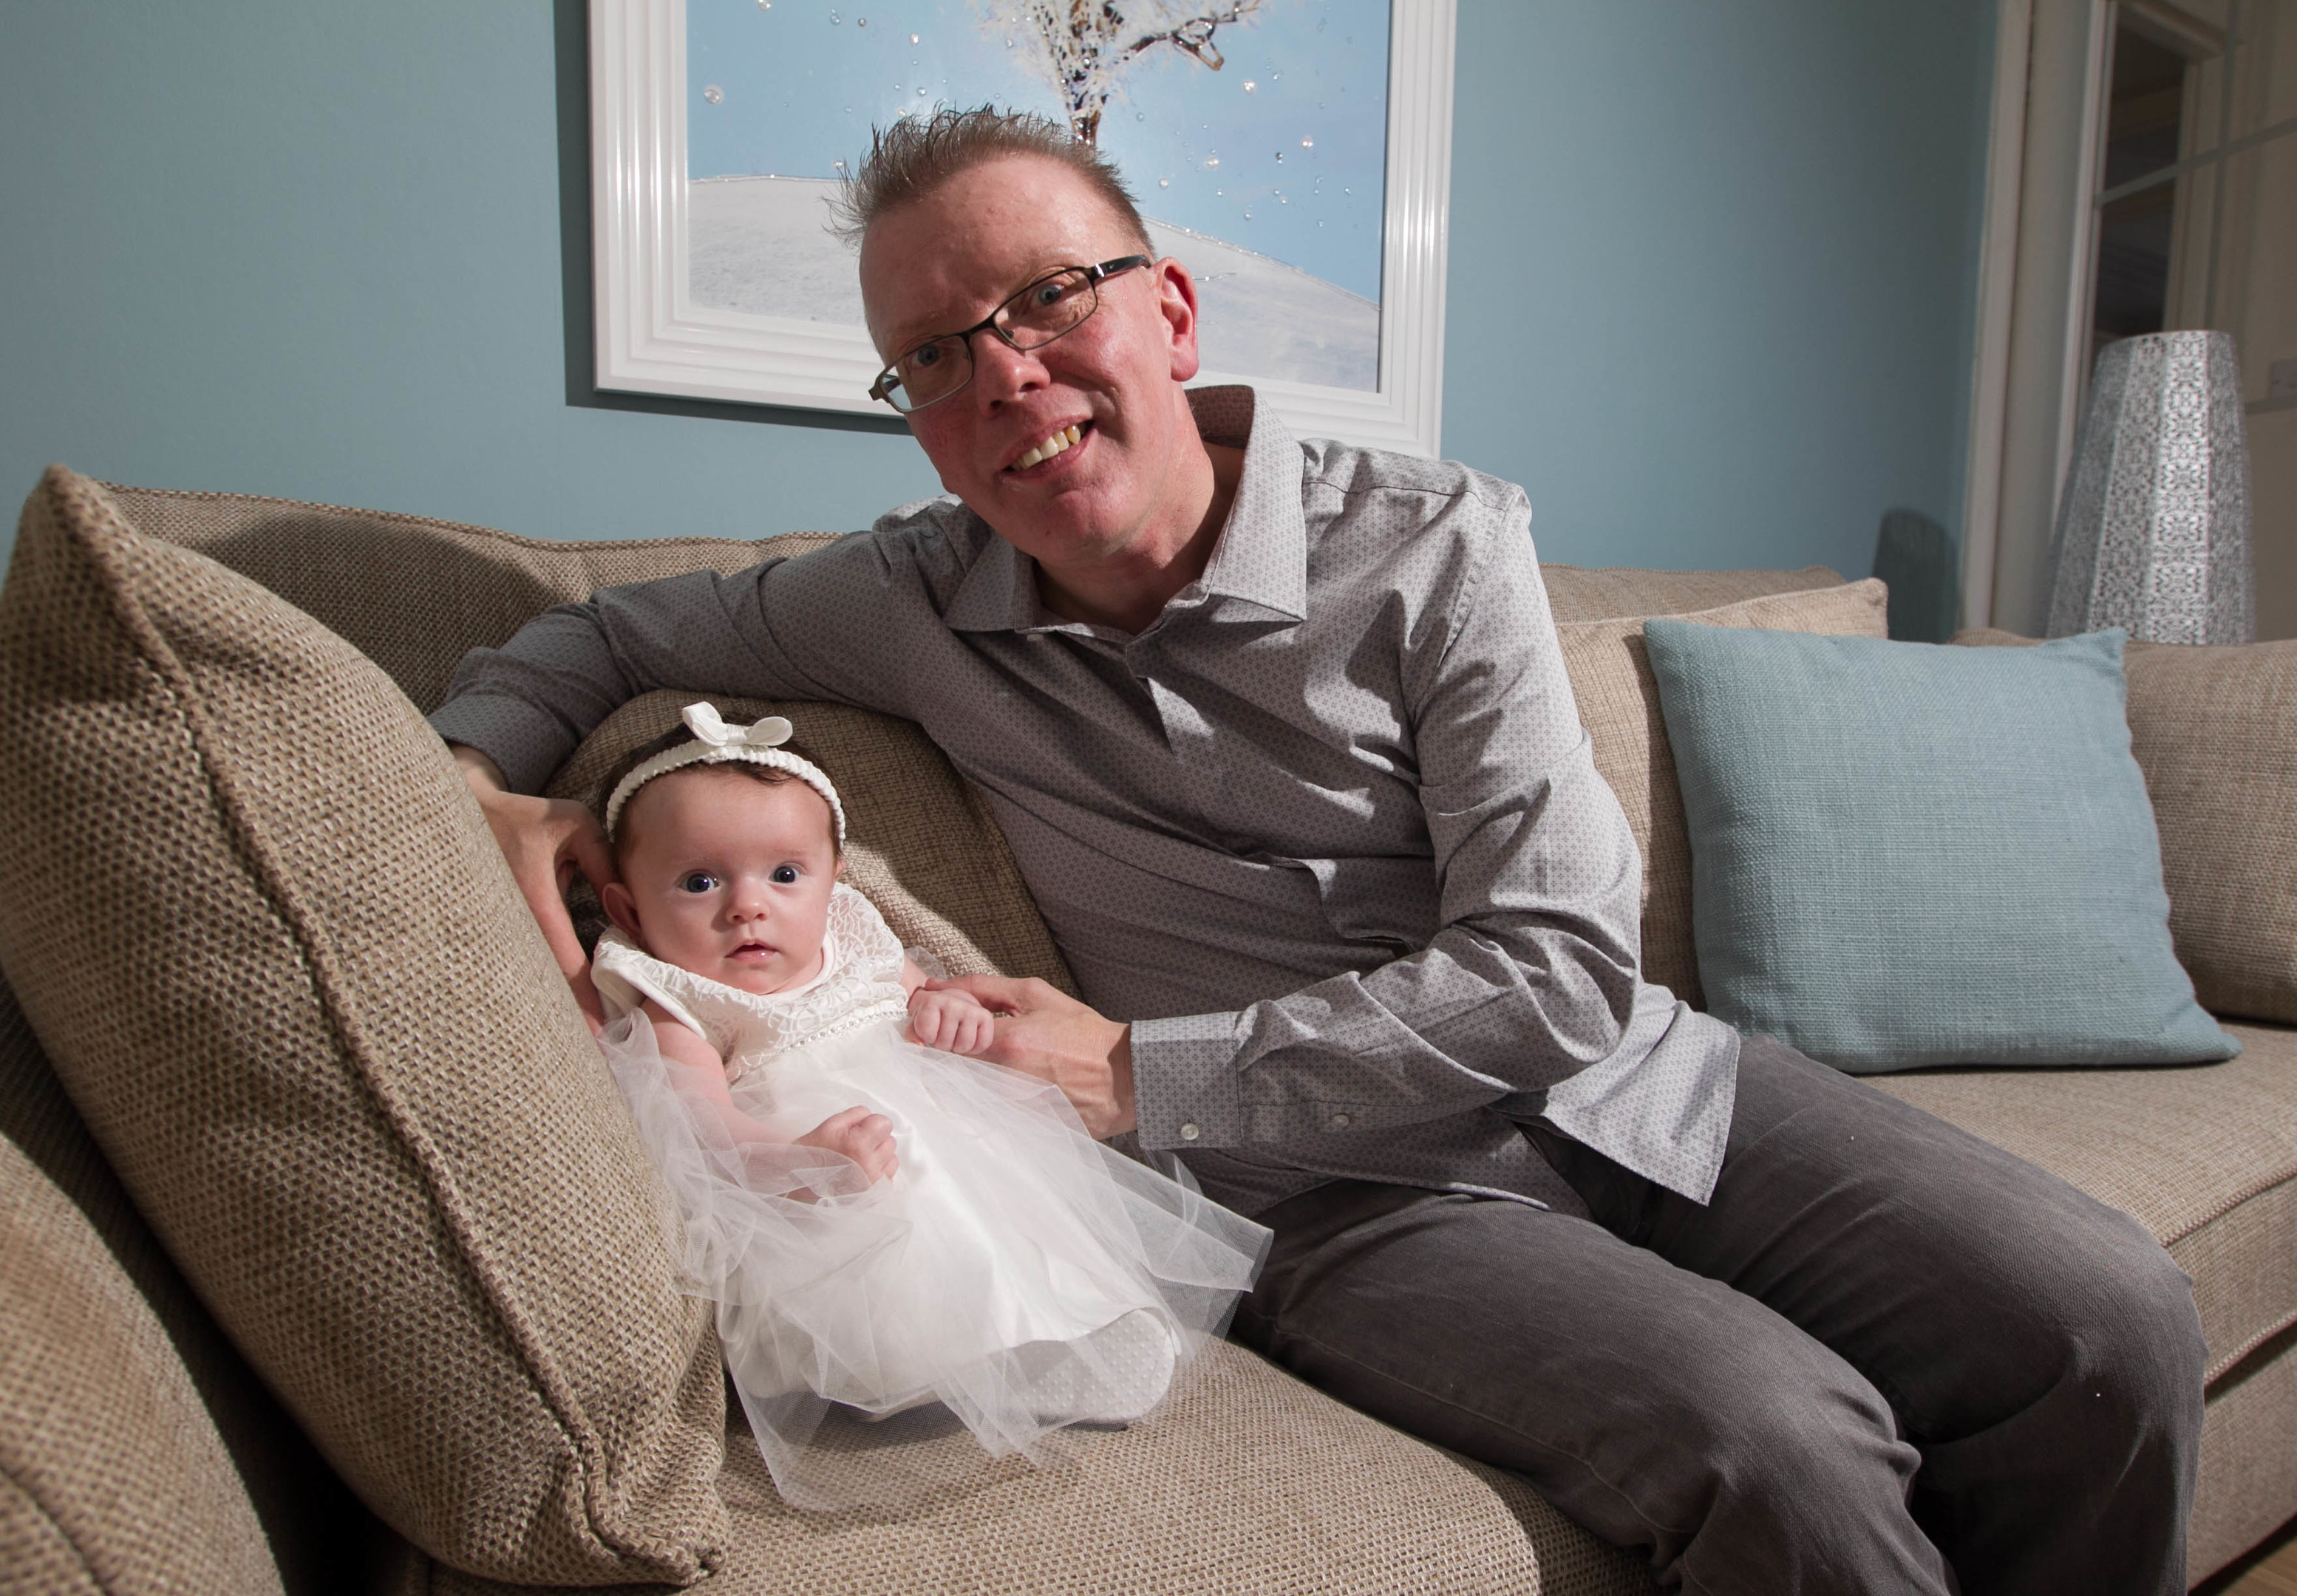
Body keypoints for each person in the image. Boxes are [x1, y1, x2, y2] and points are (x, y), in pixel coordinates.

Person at [435, 107, 2207, 1592]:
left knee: (2104, 1315)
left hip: (1631, 1080)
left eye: (1047, 297)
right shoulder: (898, 599)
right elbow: (587, 637)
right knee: (1778, 1440)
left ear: (1175, 313)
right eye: (935, 353)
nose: (1006, 374)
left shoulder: (1435, 541)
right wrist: (485, 785)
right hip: (1332, 1197)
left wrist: (1135, 1062)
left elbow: (1565, 964)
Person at [587, 699, 1267, 1510]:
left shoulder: (857, 932)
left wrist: (952, 1015)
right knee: (903, 1217)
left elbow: (929, 1000)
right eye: (700, 882)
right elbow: (696, 1120)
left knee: (1012, 1207)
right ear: (629, 909)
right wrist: (795, 1159)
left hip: (949, 1117)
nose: (748, 906)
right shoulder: (680, 995)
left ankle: (1068, 1327)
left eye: (785, 875)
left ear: (833, 881)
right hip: (823, 1166)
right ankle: (935, 1366)